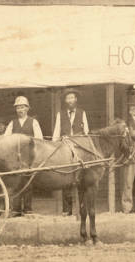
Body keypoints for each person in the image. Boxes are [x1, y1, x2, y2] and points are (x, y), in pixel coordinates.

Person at [52, 88, 89, 216]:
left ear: (76, 99)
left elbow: (86, 132)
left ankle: (82, 208)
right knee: (66, 176)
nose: (70, 100)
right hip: (65, 147)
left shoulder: (82, 113)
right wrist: (56, 145)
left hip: (78, 148)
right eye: (68, 98)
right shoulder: (60, 114)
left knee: (81, 176)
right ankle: (67, 210)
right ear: (65, 100)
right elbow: (56, 133)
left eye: (72, 97)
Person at [5, 96, 42, 216]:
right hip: (15, 157)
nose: (20, 110)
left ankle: (27, 209)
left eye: (22, 107)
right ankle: (15, 209)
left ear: (27, 108)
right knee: (16, 182)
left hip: (29, 156)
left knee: (27, 182)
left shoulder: (33, 122)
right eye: (18, 108)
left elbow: (39, 139)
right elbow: (6, 139)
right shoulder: (12, 123)